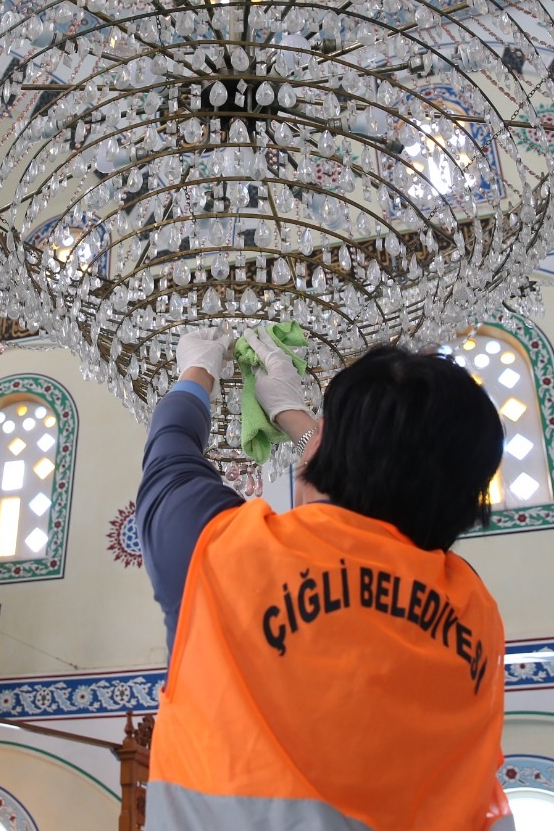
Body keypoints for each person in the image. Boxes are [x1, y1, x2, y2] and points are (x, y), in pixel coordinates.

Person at [137, 325, 511, 830]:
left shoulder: (223, 555)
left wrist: (196, 371)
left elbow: (170, 456)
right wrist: (301, 423)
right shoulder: (475, 611)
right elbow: (386, 501)